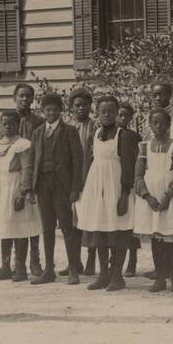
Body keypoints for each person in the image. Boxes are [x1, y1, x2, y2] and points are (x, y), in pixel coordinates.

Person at [75, 94, 138, 292]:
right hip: (97, 188)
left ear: (117, 113)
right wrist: (85, 189)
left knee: (118, 230)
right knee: (99, 230)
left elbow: (128, 166)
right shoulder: (94, 134)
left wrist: (124, 194)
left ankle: (117, 275)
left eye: (112, 111)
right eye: (103, 111)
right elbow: (88, 163)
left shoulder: (123, 136)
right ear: (97, 113)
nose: (107, 115)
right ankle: (103, 274)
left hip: (116, 187)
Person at [133, 109, 173, 293]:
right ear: (149, 125)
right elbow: (138, 176)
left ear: (169, 125)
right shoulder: (144, 147)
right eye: (155, 123)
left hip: (172, 198)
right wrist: (147, 196)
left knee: (170, 239)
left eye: (163, 123)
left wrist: (168, 195)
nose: (159, 127)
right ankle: (160, 277)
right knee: (156, 239)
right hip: (150, 199)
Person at [29, 93, 84, 285]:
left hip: (62, 185)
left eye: (54, 109)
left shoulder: (69, 131)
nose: (51, 113)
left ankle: (73, 269)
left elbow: (78, 161)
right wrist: (30, 187)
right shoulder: (37, 133)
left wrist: (75, 188)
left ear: (60, 111)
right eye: (47, 110)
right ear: (42, 112)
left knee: (67, 228)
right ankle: (49, 270)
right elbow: (31, 161)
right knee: (47, 228)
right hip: (43, 184)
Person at [0, 110, 41, 283]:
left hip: (15, 189)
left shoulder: (23, 144)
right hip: (1, 189)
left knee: (19, 229)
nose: (8, 127)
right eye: (4, 124)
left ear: (18, 125)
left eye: (11, 124)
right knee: (4, 228)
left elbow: (27, 168)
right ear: (0, 125)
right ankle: (5, 266)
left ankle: (21, 267)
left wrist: (23, 192)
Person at [13, 81, 46, 277]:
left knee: (33, 219)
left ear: (33, 99)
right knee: (17, 219)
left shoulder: (39, 121)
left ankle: (35, 260)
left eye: (28, 96)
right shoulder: (8, 119)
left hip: (33, 174)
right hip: (15, 175)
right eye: (21, 95)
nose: (25, 99)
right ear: (14, 97)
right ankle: (18, 264)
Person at [69, 87, 97, 276]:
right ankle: (74, 260)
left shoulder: (95, 127)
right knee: (72, 221)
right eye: (77, 105)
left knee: (90, 220)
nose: (81, 108)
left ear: (90, 107)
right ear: (71, 107)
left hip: (90, 177)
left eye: (85, 105)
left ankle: (91, 260)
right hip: (71, 180)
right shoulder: (67, 127)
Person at [117, 101, 143, 276]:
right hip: (112, 181)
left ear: (131, 118)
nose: (122, 118)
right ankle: (115, 261)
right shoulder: (108, 134)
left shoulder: (134, 136)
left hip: (129, 183)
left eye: (126, 115)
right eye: (119, 114)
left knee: (130, 224)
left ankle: (132, 260)